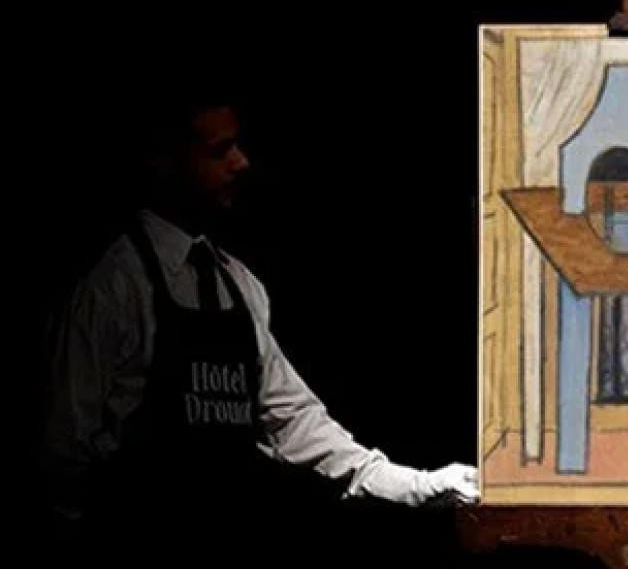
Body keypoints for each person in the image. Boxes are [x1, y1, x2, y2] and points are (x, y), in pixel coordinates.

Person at [38, 98, 478, 546]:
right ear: (165, 160)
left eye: (237, 146)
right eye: (219, 150)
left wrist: (420, 485)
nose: (241, 162)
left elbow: (294, 421)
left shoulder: (239, 284)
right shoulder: (112, 286)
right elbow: (62, 446)